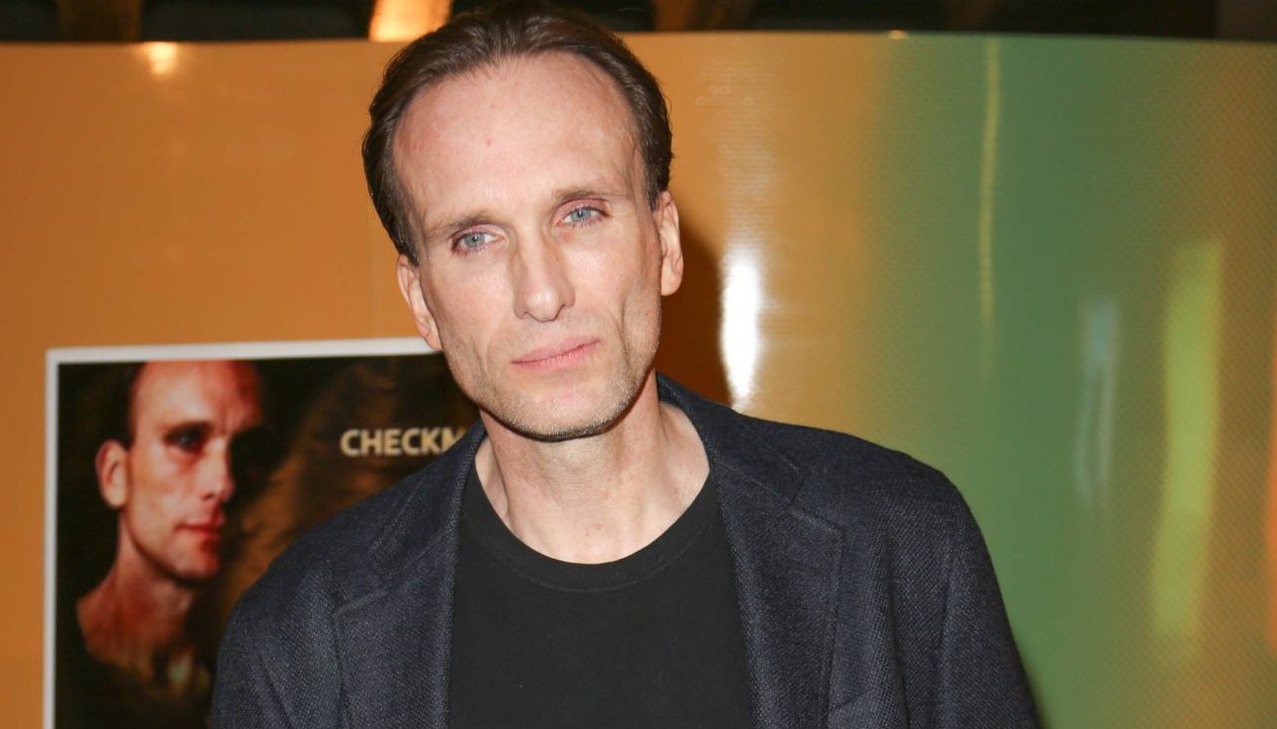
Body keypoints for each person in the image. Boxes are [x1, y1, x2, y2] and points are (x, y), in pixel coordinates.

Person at [213, 3, 1039, 727]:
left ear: (664, 241)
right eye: (475, 238)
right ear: (420, 298)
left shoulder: (898, 541)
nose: (541, 292)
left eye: (580, 214)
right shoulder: (298, 640)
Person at [61, 360, 264, 728]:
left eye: (247, 450)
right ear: (114, 474)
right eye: (187, 441)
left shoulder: (259, 680)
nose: (223, 484)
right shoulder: (55, 658)